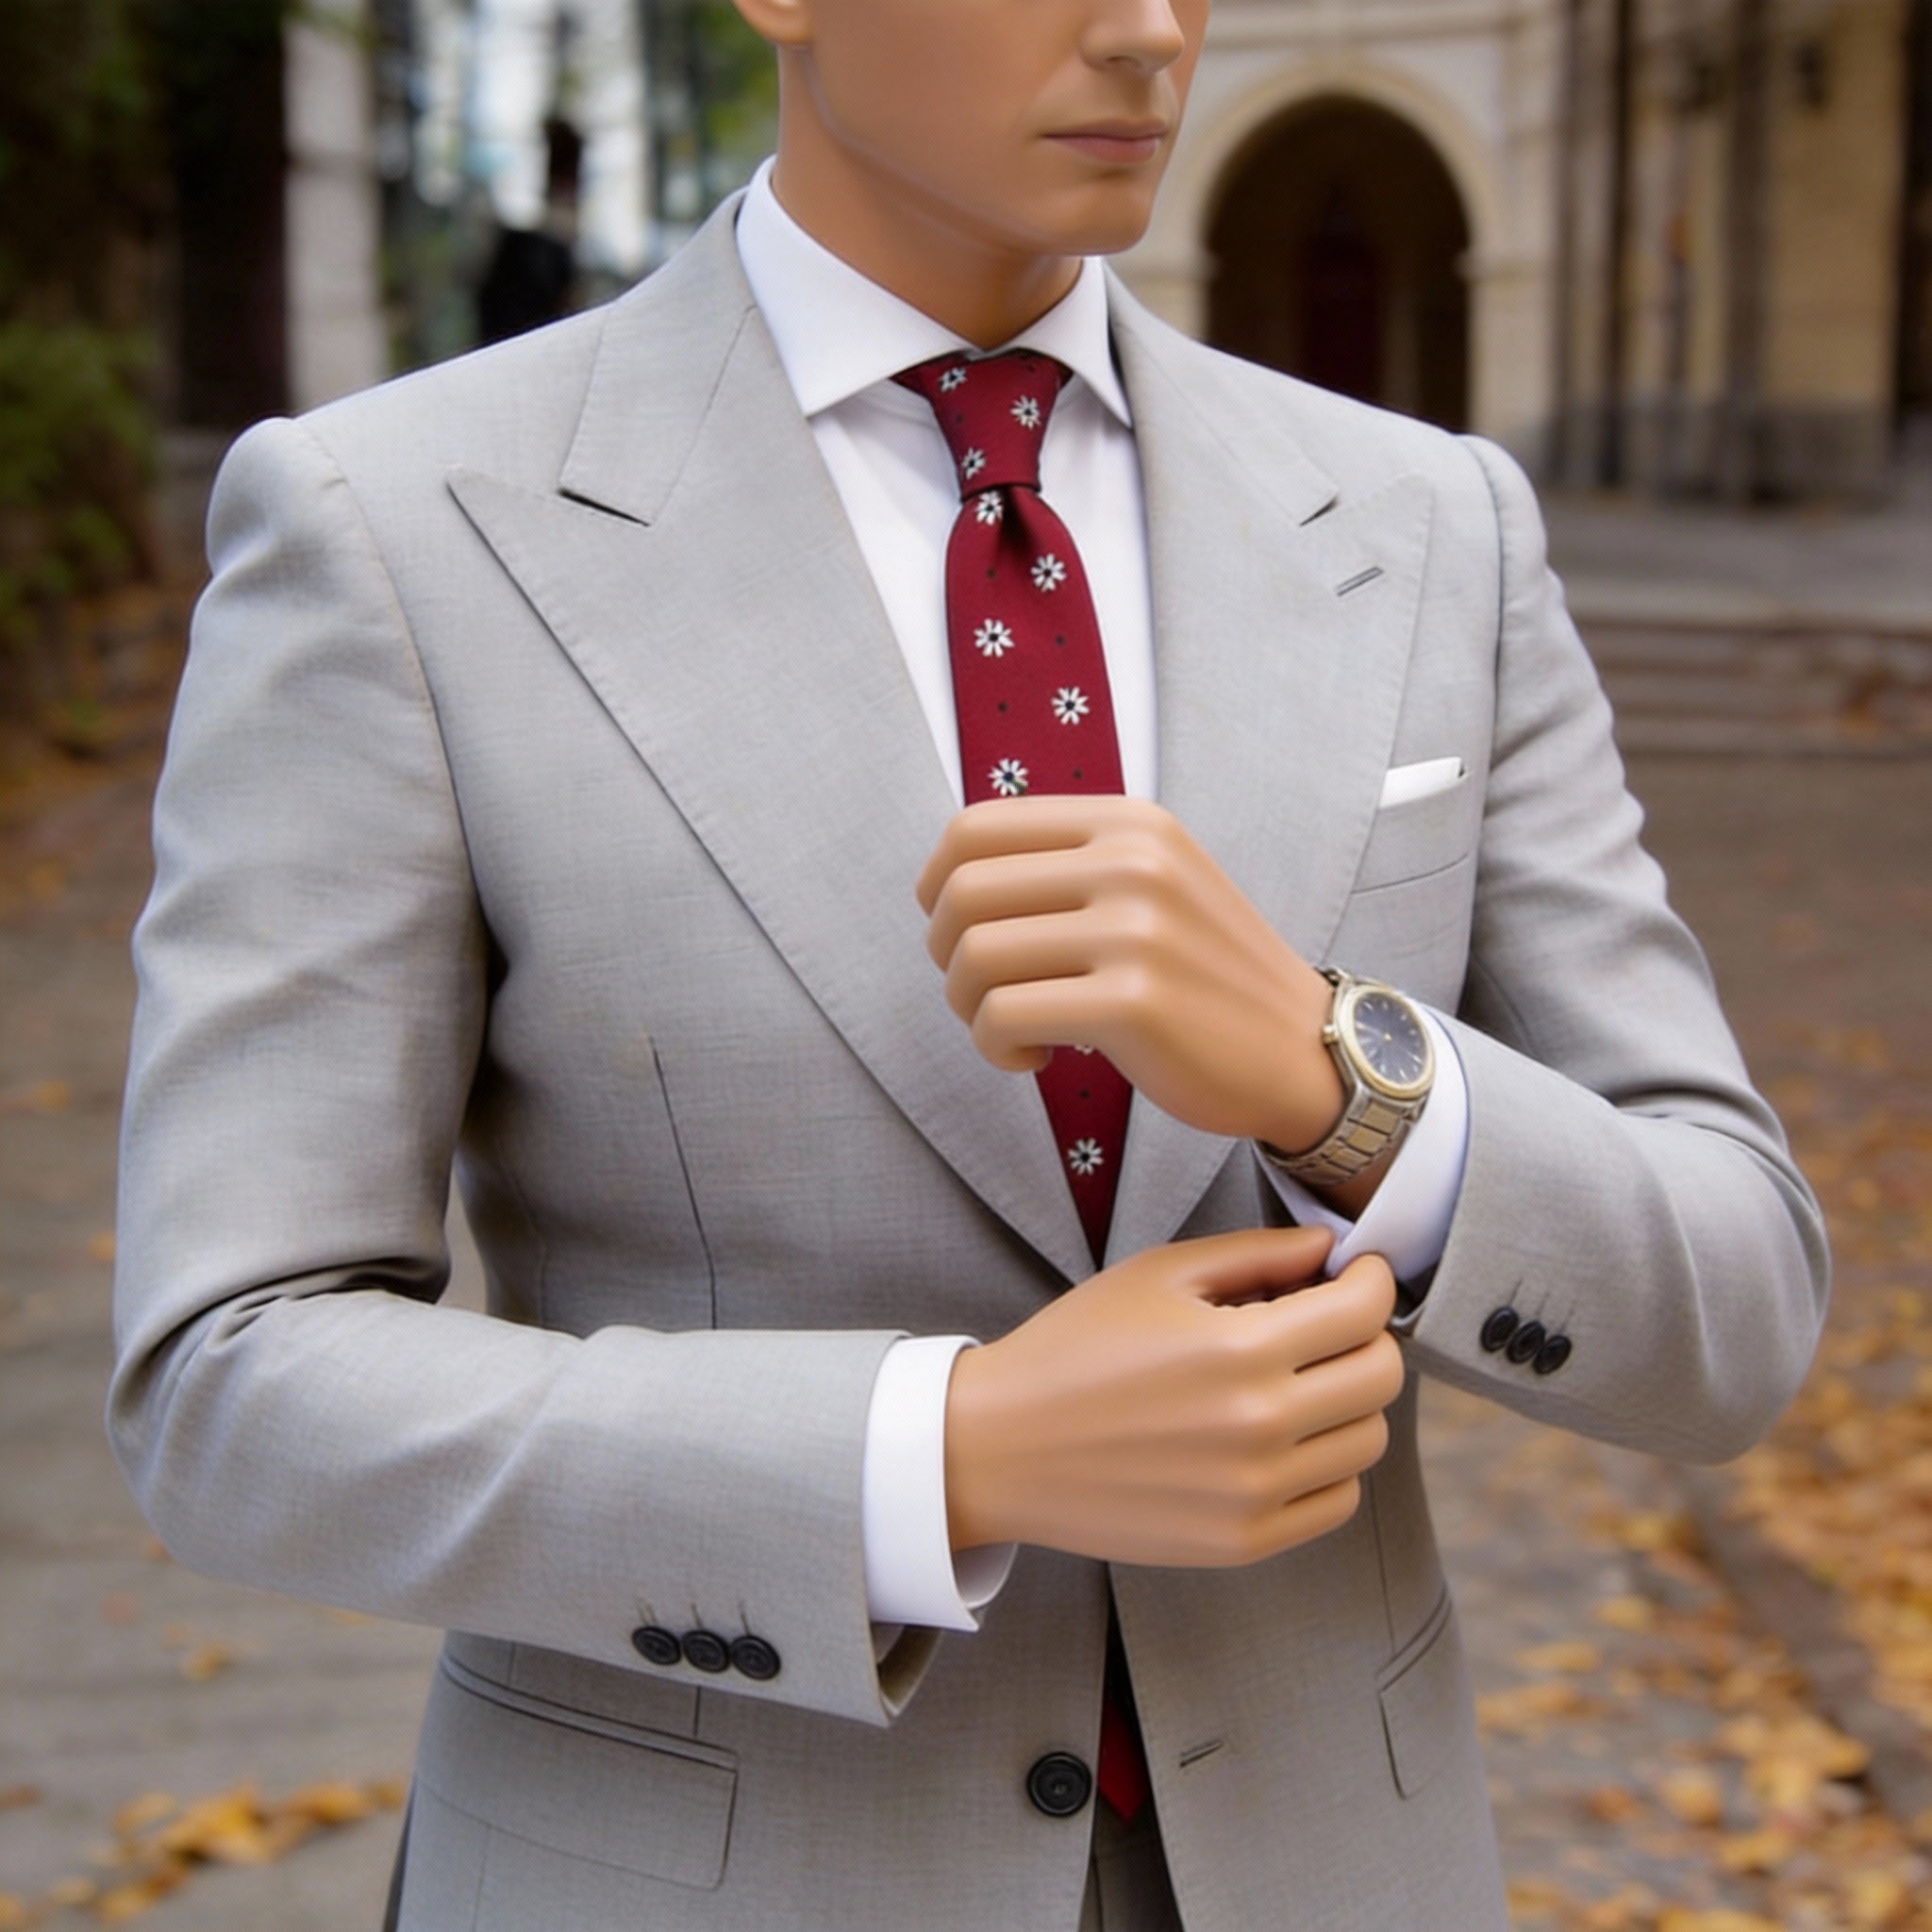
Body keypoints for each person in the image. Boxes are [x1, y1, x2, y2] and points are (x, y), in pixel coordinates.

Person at [108, 1, 1829, 1927]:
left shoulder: (1435, 527)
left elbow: (1736, 1299)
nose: (1148, 32)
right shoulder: (398, 530)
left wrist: (1337, 1076)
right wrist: (941, 1455)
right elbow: (229, 1379)